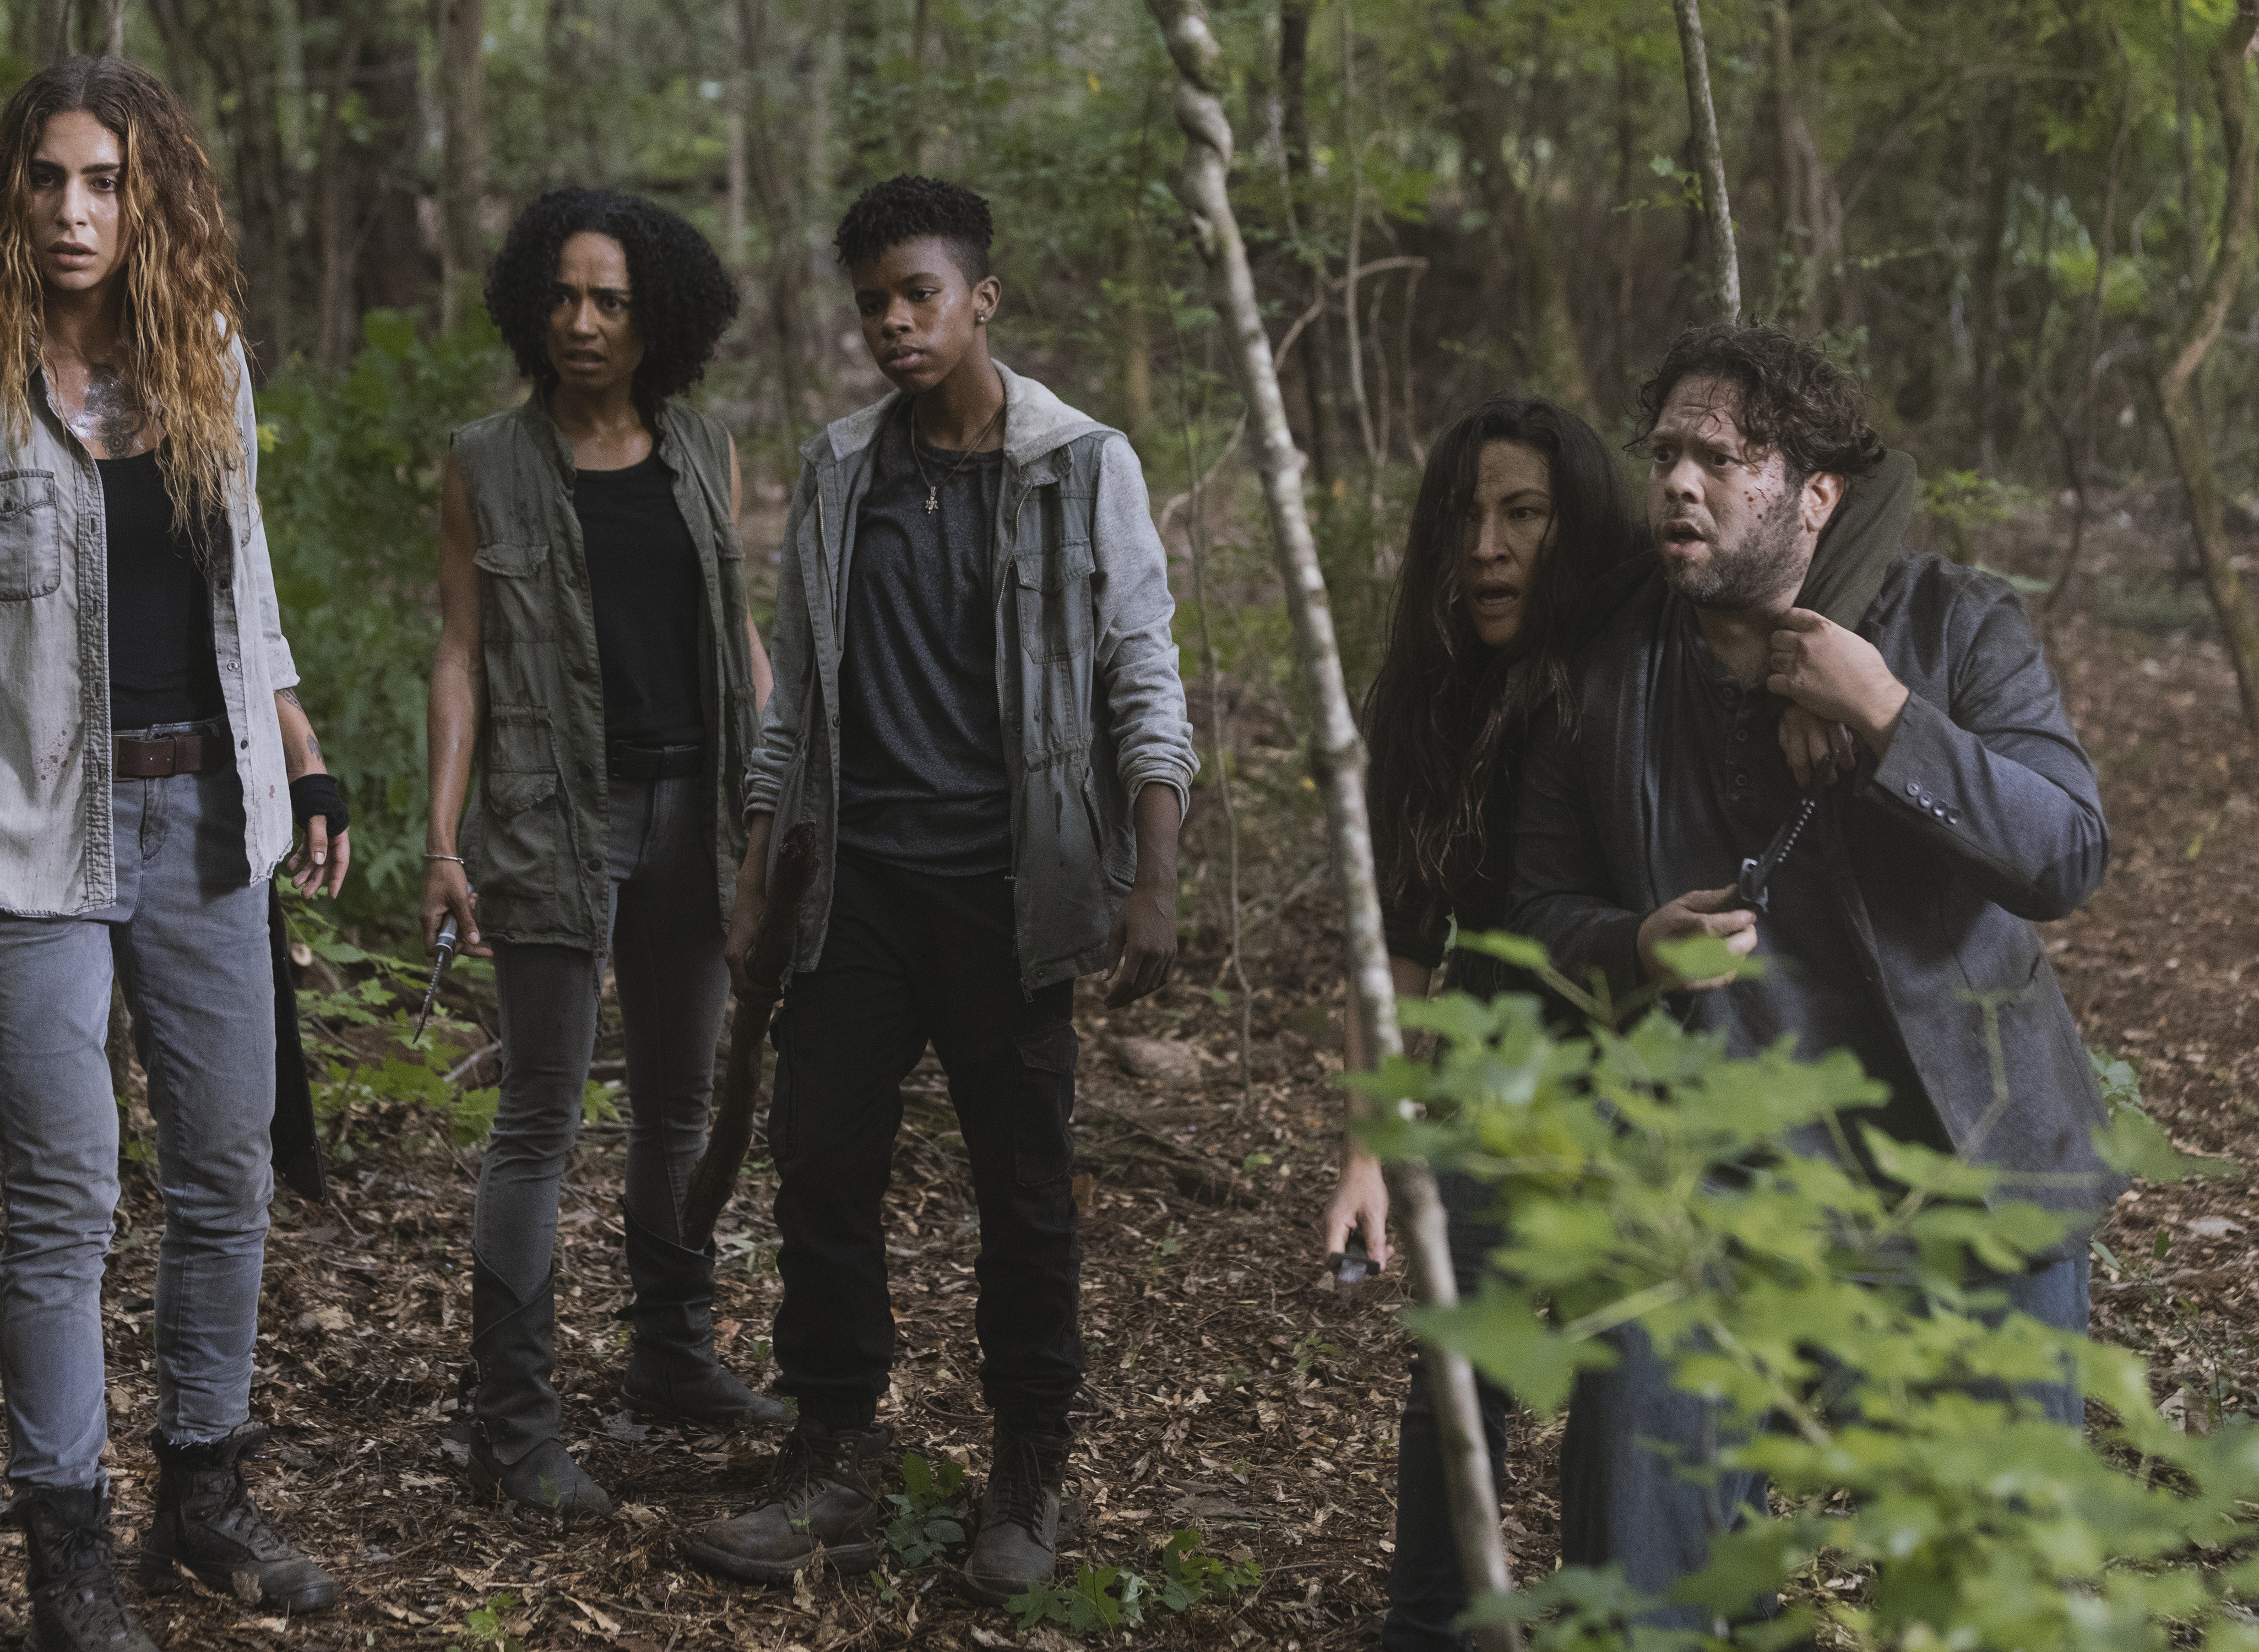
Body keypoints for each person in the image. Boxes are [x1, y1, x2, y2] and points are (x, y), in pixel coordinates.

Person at [0, 57, 347, 1652]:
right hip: (23, 833)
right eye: (51, 178)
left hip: (209, 821)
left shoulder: (205, 357)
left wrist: (306, 759)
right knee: (67, 1194)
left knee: (227, 1169)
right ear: (11, 192)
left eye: (108, 183)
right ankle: (66, 1552)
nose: (76, 211)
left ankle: (202, 1491)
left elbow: (247, 591)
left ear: (152, 201)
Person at [1508, 323, 2111, 1627]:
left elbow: (2066, 853)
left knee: (1992, 1601)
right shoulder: (1606, 671)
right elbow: (1535, 910)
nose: (1679, 482)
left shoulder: (1954, 624)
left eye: (1721, 458)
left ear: (1816, 494)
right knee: (1646, 1589)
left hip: (1973, 1178)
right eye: (1666, 454)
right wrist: (1633, 945)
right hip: (1721, 1198)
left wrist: (1886, 713)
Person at [680, 175, 1197, 1604]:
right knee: (822, 1168)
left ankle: (1026, 1470)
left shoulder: (1082, 464)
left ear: (982, 300)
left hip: (1010, 896)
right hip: (856, 887)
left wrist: (1153, 875)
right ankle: (832, 1453)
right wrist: (756, 884)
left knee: (1022, 1193)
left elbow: (1141, 671)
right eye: (873, 305)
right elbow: (796, 708)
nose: (895, 325)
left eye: (919, 295)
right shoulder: (842, 470)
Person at [423, 187, 779, 1515]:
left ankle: (673, 1357)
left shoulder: (702, 450)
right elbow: (461, 655)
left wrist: (779, 796)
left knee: (681, 1103)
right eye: (564, 297)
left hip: (700, 810)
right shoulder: (484, 462)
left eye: (611, 301)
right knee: (540, 1117)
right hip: (553, 815)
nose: (582, 322)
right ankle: (517, 1428)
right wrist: (442, 839)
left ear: (656, 318)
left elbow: (738, 633)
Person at [1324, 399, 1634, 1651]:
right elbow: (1394, 945)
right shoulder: (1429, 694)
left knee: (1637, 1389)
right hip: (1502, 1076)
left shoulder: (1642, 665)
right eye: (1466, 517)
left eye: (1523, 514)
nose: (1488, 548)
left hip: (1654, 1069)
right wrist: (1368, 1149)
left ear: (1577, 526)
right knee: (1460, 1375)